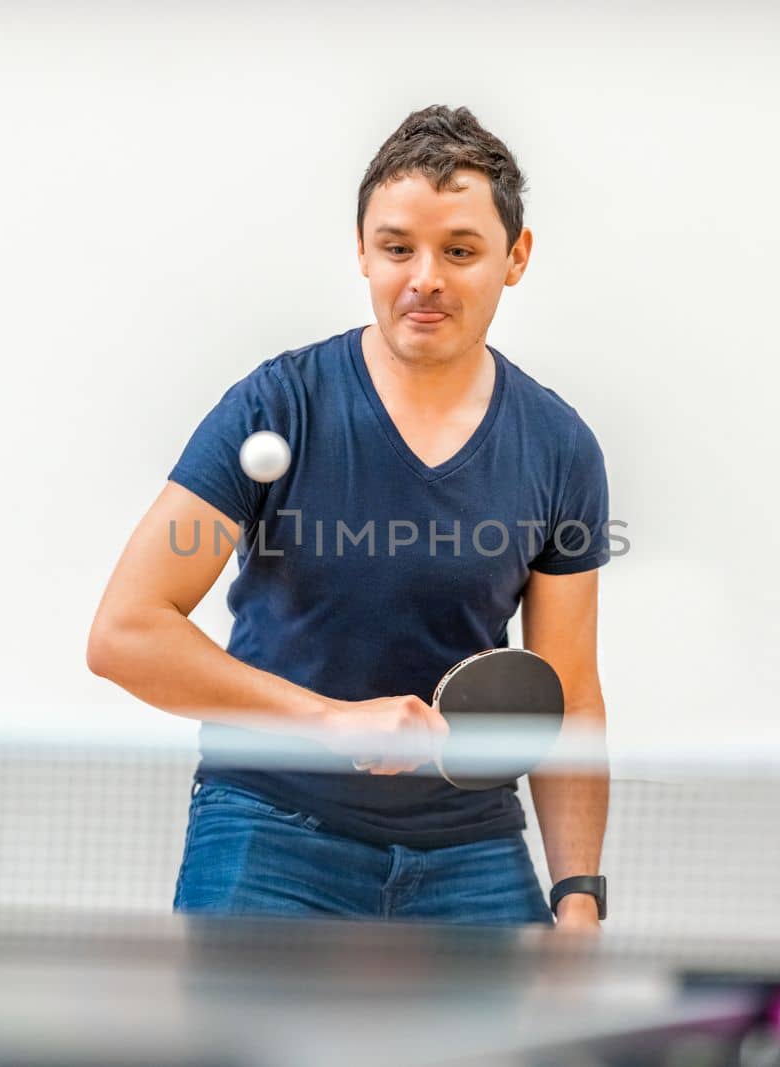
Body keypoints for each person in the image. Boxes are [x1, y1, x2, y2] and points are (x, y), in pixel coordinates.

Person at [87, 105, 611, 931]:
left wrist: (578, 894)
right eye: (398, 246)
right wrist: (330, 721)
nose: (425, 277)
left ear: (516, 257)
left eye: (461, 251)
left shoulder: (559, 447)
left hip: (469, 851)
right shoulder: (277, 405)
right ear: (362, 250)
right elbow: (125, 632)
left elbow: (570, 694)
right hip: (271, 830)